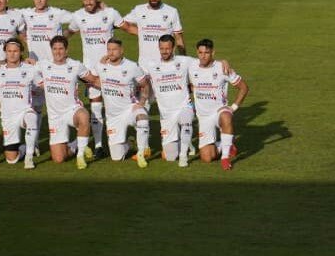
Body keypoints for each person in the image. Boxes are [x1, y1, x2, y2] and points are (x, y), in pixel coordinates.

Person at [69, 0, 124, 157]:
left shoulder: (110, 13)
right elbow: (67, 33)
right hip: (90, 70)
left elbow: (128, 27)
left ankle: (119, 140)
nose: (88, 2)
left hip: (112, 68)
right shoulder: (77, 16)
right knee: (96, 106)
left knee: (115, 106)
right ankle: (99, 145)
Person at [39, 35, 100, 168]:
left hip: (71, 110)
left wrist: (121, 84)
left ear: (66, 50)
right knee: (59, 159)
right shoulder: (43, 65)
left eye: (61, 48)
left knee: (84, 116)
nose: (58, 52)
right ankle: (76, 145)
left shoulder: (75, 65)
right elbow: (21, 68)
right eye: (55, 49)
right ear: (51, 50)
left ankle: (80, 156)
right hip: (55, 116)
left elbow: (94, 80)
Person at [190, 39, 248, 171]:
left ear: (213, 53)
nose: (203, 56)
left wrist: (232, 108)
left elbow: (244, 88)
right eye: (200, 52)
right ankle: (226, 143)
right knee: (207, 158)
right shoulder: (191, 65)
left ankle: (225, 157)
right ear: (197, 53)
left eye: (207, 52)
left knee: (226, 116)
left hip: (218, 111)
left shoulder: (222, 68)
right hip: (203, 118)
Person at [0, 38, 42, 169]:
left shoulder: (30, 69)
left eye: (15, 51)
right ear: (5, 52)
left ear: (21, 52)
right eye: (9, 51)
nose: (12, 54)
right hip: (8, 118)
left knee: (32, 117)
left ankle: (29, 157)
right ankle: (24, 148)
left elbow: (43, 85)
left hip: (24, 112)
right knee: (11, 159)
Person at [95, 38, 151, 164]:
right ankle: (130, 144)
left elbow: (145, 85)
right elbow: (90, 79)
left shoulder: (132, 66)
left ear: (121, 50)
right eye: (109, 49)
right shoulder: (100, 66)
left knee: (142, 117)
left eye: (114, 49)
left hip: (129, 109)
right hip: (113, 117)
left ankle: (141, 153)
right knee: (117, 157)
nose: (111, 52)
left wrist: (141, 103)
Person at [142, 34, 194, 166]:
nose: (164, 51)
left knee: (186, 120)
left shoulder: (184, 61)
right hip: (166, 114)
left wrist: (223, 62)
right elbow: (137, 77)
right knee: (170, 156)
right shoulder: (151, 64)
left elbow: (205, 63)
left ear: (174, 48)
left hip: (184, 106)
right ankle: (188, 144)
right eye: (162, 48)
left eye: (167, 48)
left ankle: (183, 157)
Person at [121, 0, 184, 69]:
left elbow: (178, 38)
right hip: (144, 65)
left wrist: (183, 60)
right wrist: (141, 32)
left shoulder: (171, 11)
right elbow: (121, 23)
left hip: (166, 65)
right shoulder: (139, 10)